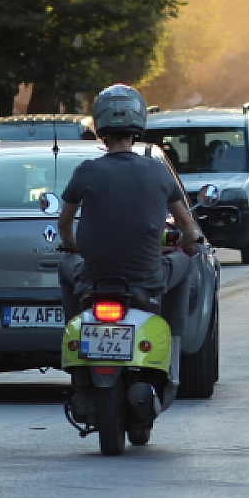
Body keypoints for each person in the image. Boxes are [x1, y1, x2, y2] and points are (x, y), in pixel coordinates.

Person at [57, 83, 204, 385]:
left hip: (94, 280)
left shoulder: (86, 170)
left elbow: (64, 224)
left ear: (100, 127)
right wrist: (188, 242)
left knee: (64, 269)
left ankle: (75, 327)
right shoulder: (157, 171)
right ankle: (173, 343)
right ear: (138, 126)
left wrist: (72, 246)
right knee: (186, 263)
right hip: (146, 281)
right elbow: (187, 226)